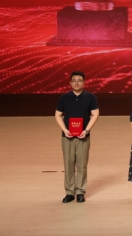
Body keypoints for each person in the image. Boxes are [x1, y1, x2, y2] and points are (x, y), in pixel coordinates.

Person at [55, 71, 100, 203]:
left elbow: (95, 114)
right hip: (67, 136)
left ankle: (80, 191)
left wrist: (86, 130)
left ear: (84, 83)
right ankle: (69, 192)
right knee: (68, 164)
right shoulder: (64, 98)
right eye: (74, 80)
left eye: (79, 80)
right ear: (70, 83)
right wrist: (65, 129)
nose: (76, 83)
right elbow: (58, 114)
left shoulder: (90, 97)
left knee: (82, 164)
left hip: (83, 135)